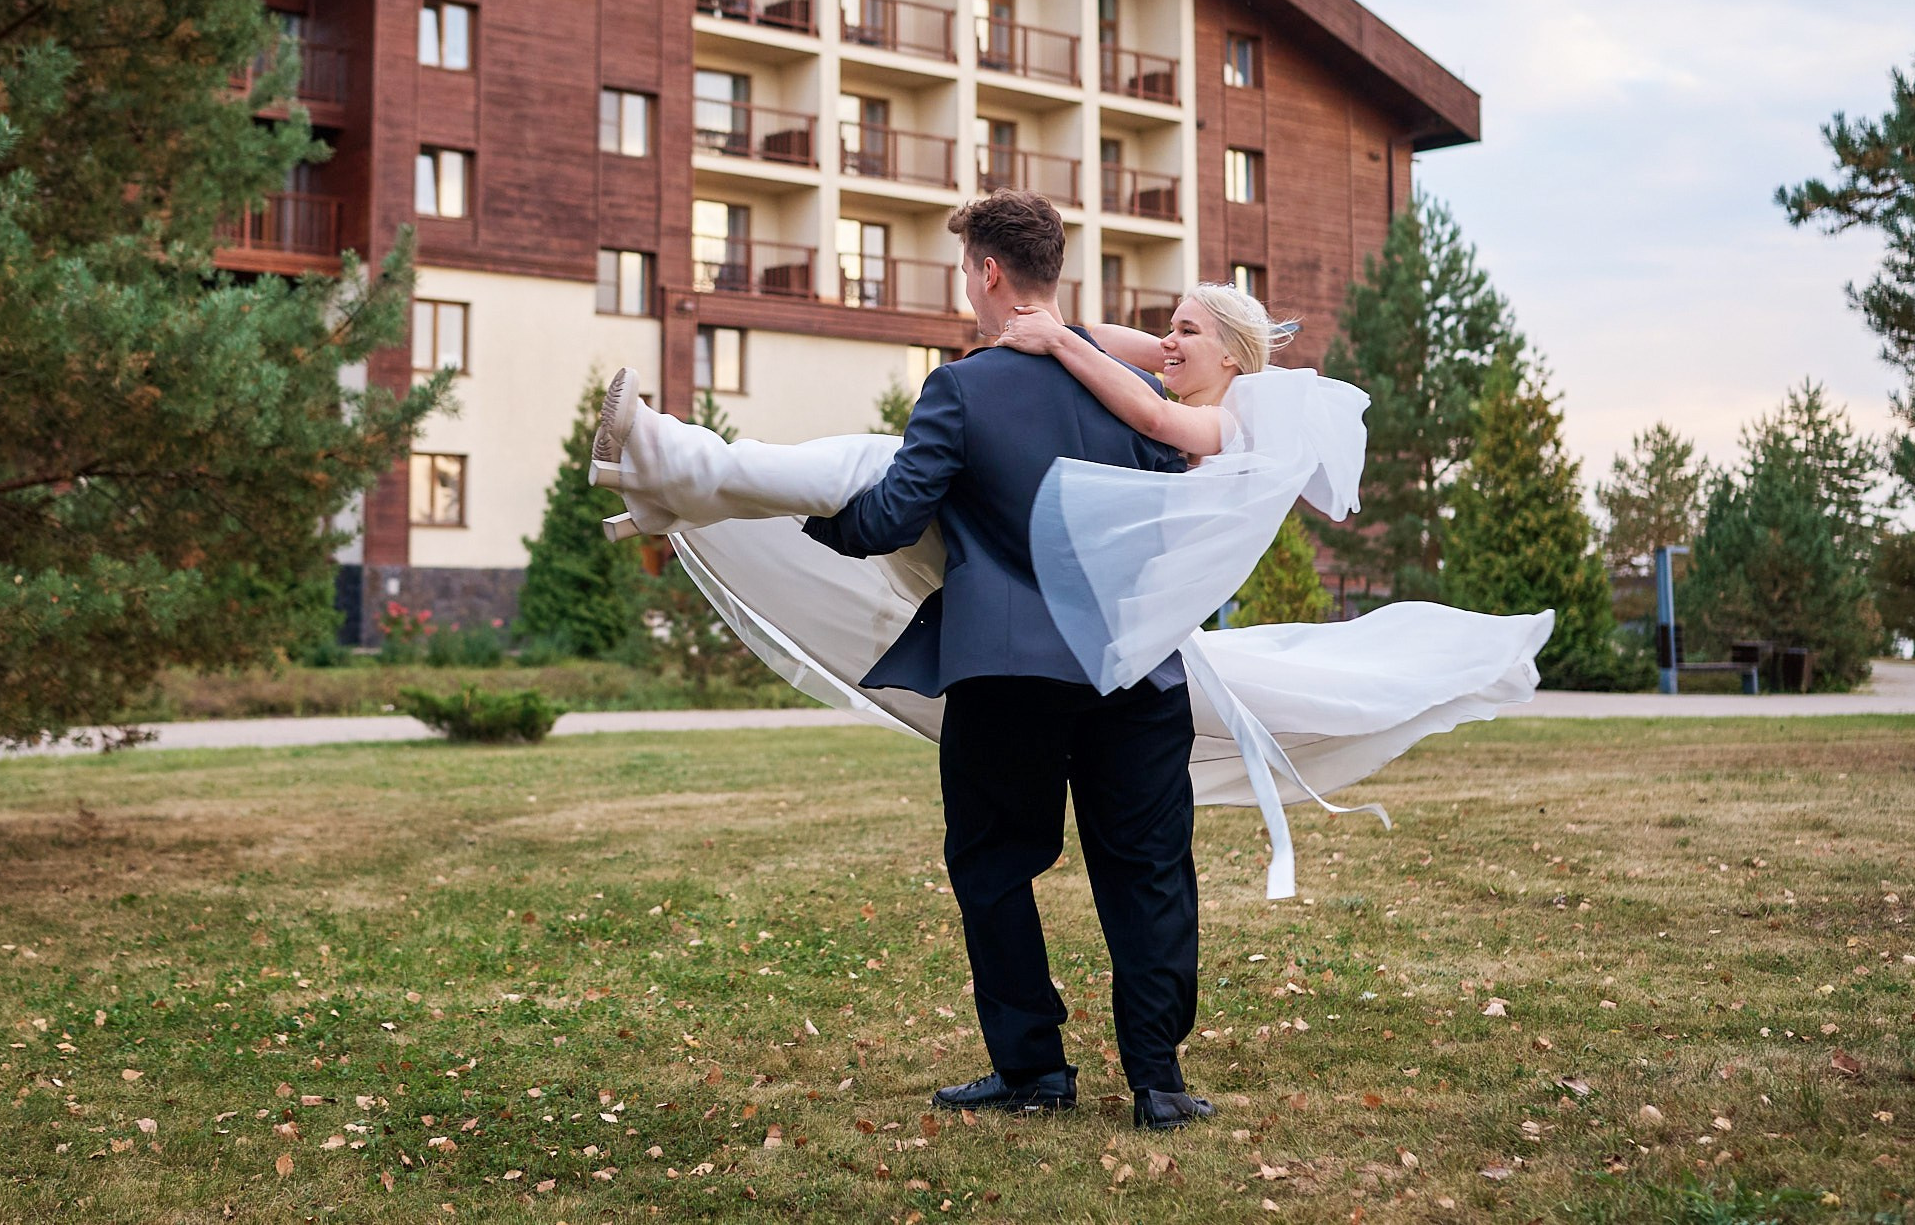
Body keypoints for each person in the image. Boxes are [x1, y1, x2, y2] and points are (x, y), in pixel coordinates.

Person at [587, 191, 1550, 1128]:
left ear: (990, 272)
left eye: (970, 272)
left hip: (1007, 675)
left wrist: (820, 532)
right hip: (1136, 672)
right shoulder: (1145, 401)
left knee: (996, 864)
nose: (969, 289)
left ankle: (1033, 1070)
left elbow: (891, 516)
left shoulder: (963, 386)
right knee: (1148, 872)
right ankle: (1159, 1080)